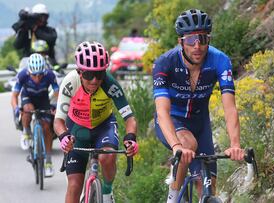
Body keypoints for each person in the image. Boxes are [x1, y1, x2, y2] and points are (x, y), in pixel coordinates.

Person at [152, 9, 245, 202]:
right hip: (172, 121)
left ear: (208, 40)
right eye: (190, 40)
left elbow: (229, 107)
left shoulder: (220, 60)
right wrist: (176, 145)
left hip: (200, 124)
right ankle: (173, 196)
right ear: (181, 42)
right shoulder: (165, 63)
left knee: (208, 187)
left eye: (202, 39)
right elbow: (162, 111)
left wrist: (235, 144)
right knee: (187, 144)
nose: (197, 46)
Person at [54, 41, 139, 203]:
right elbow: (58, 121)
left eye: (99, 74)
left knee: (107, 157)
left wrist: (131, 137)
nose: (94, 80)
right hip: (76, 129)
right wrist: (64, 137)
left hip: (103, 127)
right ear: (79, 72)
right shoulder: (70, 82)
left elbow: (130, 118)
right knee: (74, 186)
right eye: (88, 75)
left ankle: (107, 192)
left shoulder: (109, 83)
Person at [11, 53, 59, 177]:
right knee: (27, 109)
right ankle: (26, 132)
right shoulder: (22, 75)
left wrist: (57, 107)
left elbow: (58, 94)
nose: (37, 78)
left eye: (40, 74)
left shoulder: (49, 75)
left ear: (44, 71)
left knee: (47, 128)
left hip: (43, 100)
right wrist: (16, 109)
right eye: (34, 75)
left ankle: (48, 162)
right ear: (29, 72)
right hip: (28, 97)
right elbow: (14, 96)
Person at [12, 3, 57, 69]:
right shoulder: (27, 31)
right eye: (39, 17)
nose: (42, 20)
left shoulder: (49, 30)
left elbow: (51, 39)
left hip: (47, 64)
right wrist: (23, 30)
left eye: (44, 17)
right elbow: (17, 45)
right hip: (27, 64)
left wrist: (35, 29)